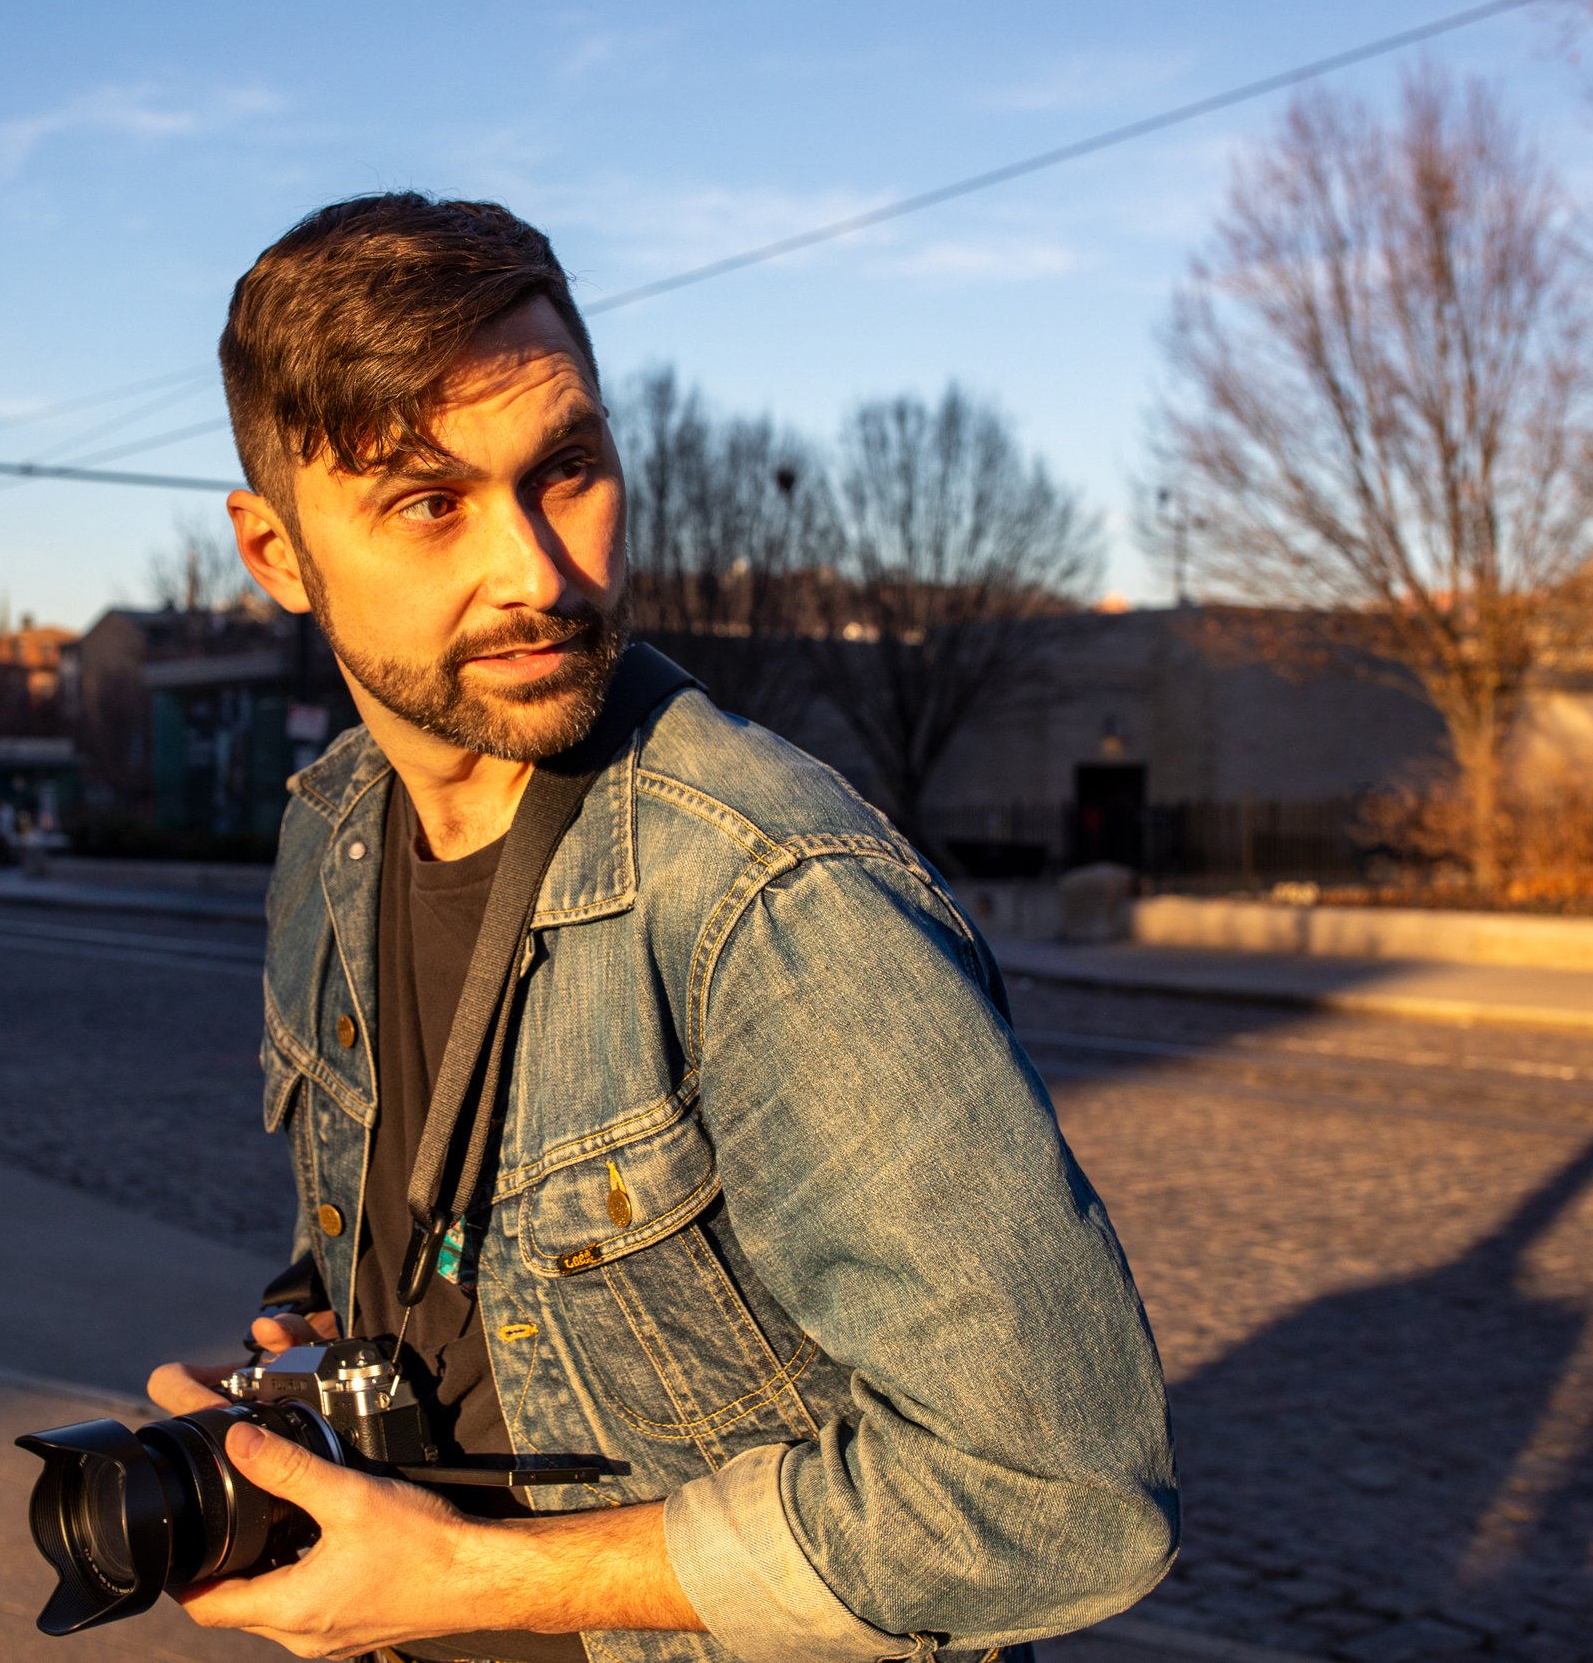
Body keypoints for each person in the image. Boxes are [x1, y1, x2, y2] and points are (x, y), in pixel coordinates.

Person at [146, 194, 1177, 1663]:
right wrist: (316, 1358)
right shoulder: (333, 831)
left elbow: (1064, 1496)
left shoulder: (771, 889)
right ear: (275, 551)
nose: (539, 573)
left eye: (566, 471)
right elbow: (429, 1252)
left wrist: (468, 1583)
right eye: (429, 503)